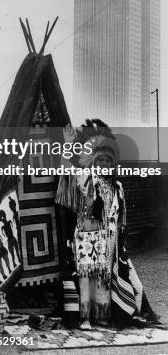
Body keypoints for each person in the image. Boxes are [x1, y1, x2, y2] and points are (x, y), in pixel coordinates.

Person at [56, 121, 157, 330]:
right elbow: (66, 171)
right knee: (86, 277)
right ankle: (84, 318)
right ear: (94, 163)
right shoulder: (87, 181)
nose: (103, 164)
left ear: (112, 165)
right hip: (86, 236)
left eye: (107, 161)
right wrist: (68, 145)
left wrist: (120, 244)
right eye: (100, 160)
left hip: (108, 241)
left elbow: (121, 219)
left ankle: (100, 316)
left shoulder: (118, 187)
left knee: (103, 276)